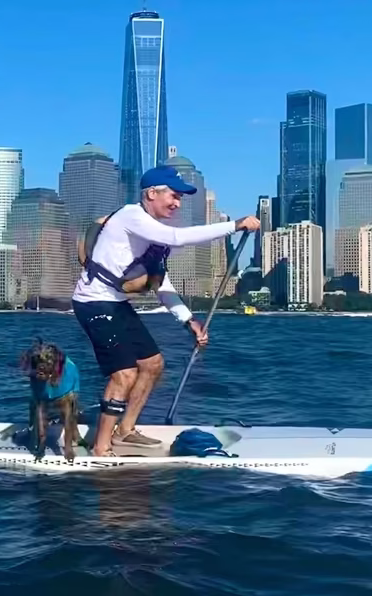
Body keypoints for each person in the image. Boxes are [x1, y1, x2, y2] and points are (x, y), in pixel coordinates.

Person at [71, 165, 259, 457]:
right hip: (92, 302)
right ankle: (101, 447)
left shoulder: (155, 240)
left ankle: (126, 431)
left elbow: (161, 284)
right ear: (151, 194)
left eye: (180, 198)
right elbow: (177, 238)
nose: (177, 203)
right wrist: (235, 225)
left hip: (115, 303)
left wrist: (189, 321)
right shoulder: (132, 217)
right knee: (124, 373)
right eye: (173, 195)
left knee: (153, 364)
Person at [18, 340, 83, 462]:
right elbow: (40, 413)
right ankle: (34, 435)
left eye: (45, 364)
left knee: (69, 414)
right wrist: (42, 441)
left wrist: (68, 448)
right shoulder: (35, 375)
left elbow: (68, 417)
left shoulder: (67, 375)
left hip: (64, 388)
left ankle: (74, 437)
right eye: (38, 363)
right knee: (36, 408)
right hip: (42, 387)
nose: (41, 367)